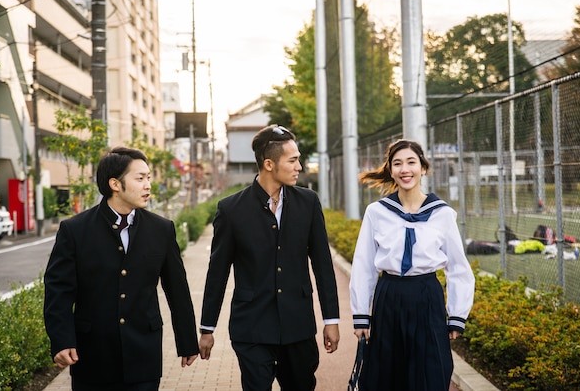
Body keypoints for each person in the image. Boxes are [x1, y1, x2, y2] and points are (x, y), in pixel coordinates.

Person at [43, 146, 199, 390]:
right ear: (115, 184)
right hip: (93, 356)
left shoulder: (161, 229)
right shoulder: (75, 230)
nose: (148, 185)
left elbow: (177, 289)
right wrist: (61, 340)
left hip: (143, 353)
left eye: (148, 178)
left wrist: (188, 341)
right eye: (140, 178)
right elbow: (58, 290)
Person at [198, 124, 340, 390]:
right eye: (293, 160)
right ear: (269, 164)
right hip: (251, 328)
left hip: (298, 326)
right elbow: (217, 272)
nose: (300, 166)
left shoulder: (308, 203)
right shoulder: (230, 210)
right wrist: (207, 328)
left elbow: (322, 265)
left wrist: (331, 320)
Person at [349, 139, 475, 391]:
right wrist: (361, 316)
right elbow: (363, 266)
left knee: (430, 371)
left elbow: (458, 267)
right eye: (397, 164)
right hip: (390, 295)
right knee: (387, 372)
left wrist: (457, 315)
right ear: (391, 170)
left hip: (426, 295)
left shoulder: (443, 213)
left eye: (411, 162)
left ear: (423, 168)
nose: (405, 169)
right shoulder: (377, 212)